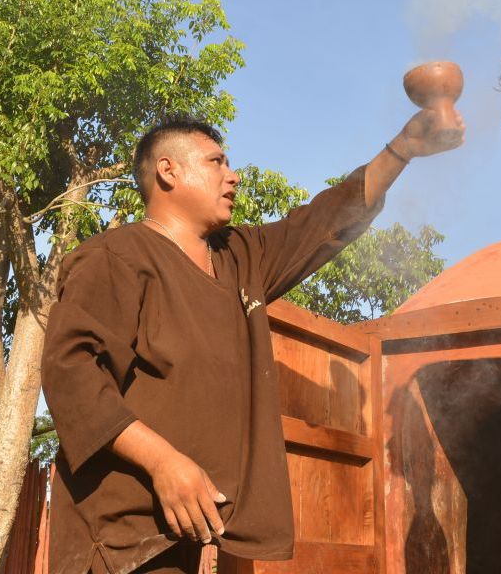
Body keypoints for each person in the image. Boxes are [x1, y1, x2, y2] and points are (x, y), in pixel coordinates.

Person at [41, 110, 464, 574]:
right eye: (216, 161)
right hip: (127, 541)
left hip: (214, 538)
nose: (233, 175)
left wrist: (404, 145)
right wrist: (163, 462)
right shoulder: (115, 257)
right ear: (169, 171)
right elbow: (72, 374)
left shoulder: (242, 257)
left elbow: (322, 221)